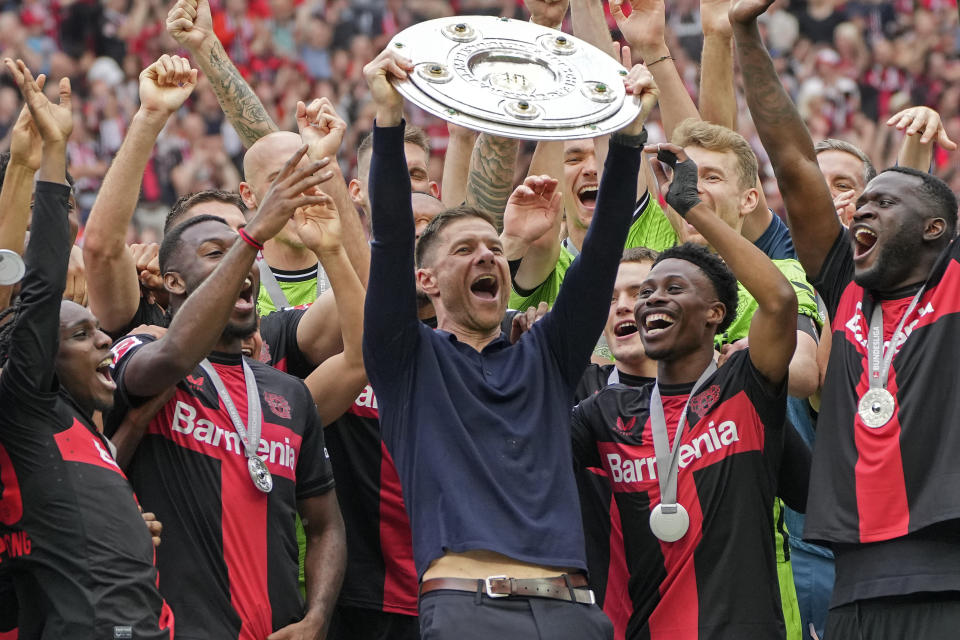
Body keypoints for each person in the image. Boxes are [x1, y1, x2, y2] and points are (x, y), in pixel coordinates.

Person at [362, 41, 659, 637]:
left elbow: (599, 260)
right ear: (425, 280)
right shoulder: (404, 359)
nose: (487, 257)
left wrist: (629, 137)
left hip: (573, 612)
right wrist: (389, 121)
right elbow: (391, 240)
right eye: (466, 250)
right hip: (469, 609)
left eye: (494, 248)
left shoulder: (545, 355)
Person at [731, 0, 960, 636]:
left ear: (936, 229)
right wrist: (746, 34)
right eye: (861, 204)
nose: (859, 212)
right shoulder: (844, 289)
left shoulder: (955, 281)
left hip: (948, 574)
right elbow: (790, 157)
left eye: (882, 202)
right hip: (853, 580)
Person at [104, 145, 347, 639]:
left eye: (245, 254)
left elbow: (324, 525)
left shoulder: (289, 394)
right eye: (218, 253)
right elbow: (173, 355)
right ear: (171, 281)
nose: (244, 263)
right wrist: (253, 233)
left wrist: (317, 617)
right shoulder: (140, 352)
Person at [571, 142, 797, 639]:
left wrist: (692, 206)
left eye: (674, 288)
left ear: (715, 313)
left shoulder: (744, 386)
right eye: (647, 291)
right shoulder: (601, 416)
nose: (651, 298)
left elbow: (779, 301)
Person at [0, 58, 174, 639]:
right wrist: (44, 159)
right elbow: (37, 286)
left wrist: (117, 521)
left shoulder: (77, 420)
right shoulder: (24, 394)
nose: (105, 338)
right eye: (79, 332)